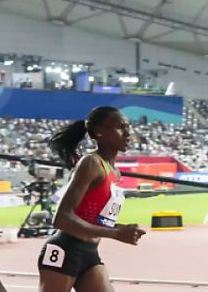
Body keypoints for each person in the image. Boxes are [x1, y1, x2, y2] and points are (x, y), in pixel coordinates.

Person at [38, 106, 146, 292]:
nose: (128, 133)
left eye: (128, 127)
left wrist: (119, 227)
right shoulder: (91, 163)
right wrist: (116, 234)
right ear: (99, 132)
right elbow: (61, 218)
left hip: (89, 254)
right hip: (65, 249)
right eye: (120, 127)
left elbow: (93, 217)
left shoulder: (115, 172)